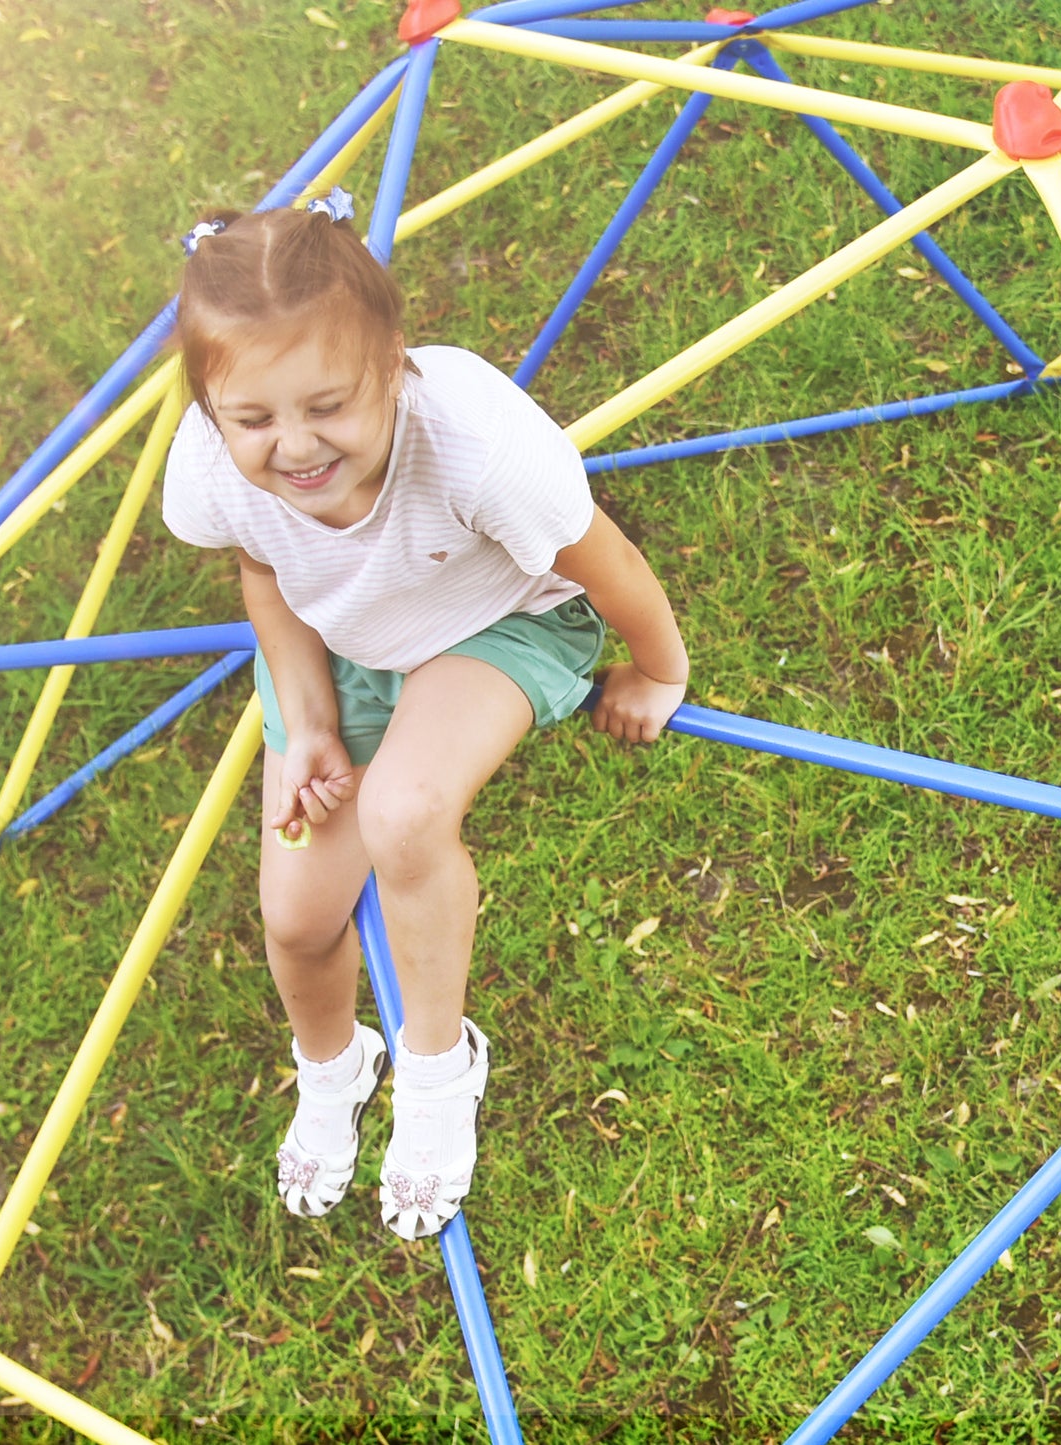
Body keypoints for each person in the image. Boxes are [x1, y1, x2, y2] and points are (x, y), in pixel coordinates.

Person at [161, 189, 688, 1241]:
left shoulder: (477, 443)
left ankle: (437, 1069)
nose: (294, 446)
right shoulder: (217, 468)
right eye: (253, 419)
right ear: (212, 409)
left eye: (327, 406)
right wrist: (306, 716)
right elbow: (262, 563)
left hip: (496, 626)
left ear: (393, 362)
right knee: (298, 917)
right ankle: (334, 1062)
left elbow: (604, 558)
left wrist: (658, 668)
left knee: (403, 811)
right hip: (345, 649)